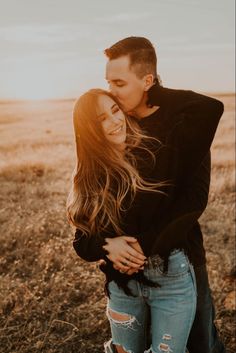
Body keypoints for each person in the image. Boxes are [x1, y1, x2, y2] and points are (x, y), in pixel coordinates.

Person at [102, 37, 226, 353]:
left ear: (147, 80)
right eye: (107, 82)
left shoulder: (185, 125)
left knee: (199, 342)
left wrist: (142, 247)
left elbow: (193, 201)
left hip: (181, 254)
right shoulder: (118, 127)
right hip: (125, 265)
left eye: (119, 82)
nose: (111, 92)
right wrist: (109, 244)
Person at [67, 88, 198, 353]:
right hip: (122, 286)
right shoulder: (90, 176)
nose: (115, 121)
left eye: (115, 111)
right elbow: (81, 241)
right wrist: (106, 246)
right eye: (102, 118)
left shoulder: (155, 154)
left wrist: (152, 90)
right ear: (90, 130)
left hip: (170, 275)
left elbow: (181, 212)